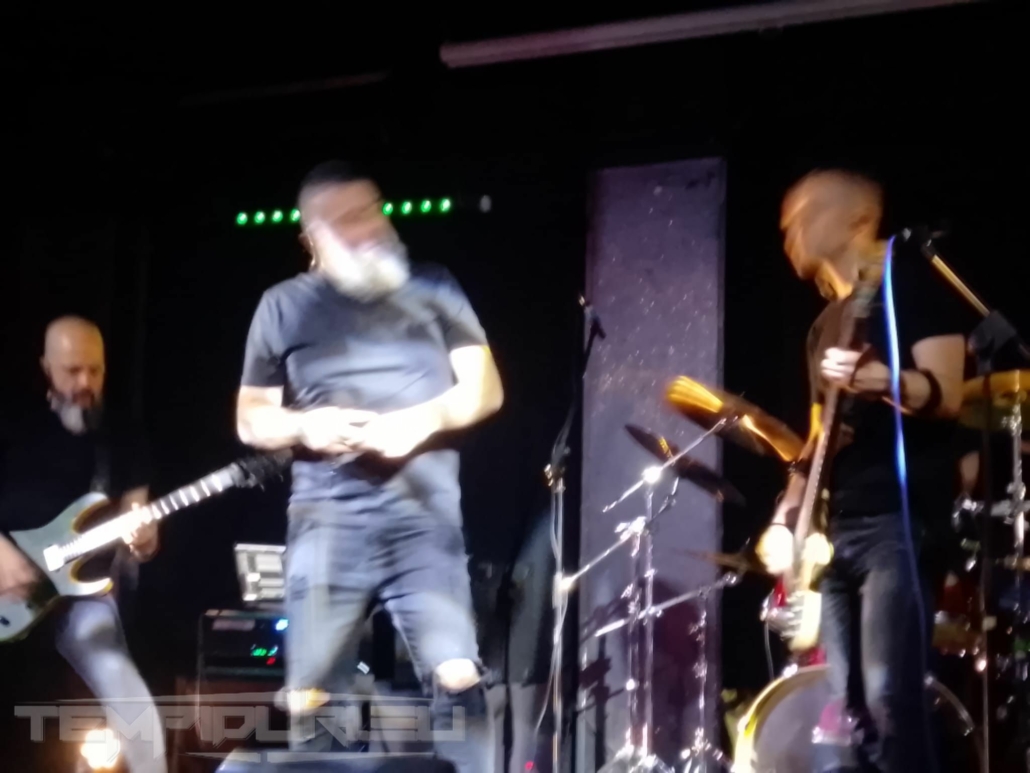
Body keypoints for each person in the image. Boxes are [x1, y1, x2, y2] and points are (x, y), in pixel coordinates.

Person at [236, 160, 504, 772]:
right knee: (311, 693)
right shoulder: (283, 306)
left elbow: (486, 388)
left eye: (372, 210)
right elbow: (251, 418)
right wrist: (307, 426)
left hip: (423, 516)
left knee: (457, 672)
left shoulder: (434, 285)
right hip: (327, 518)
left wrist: (422, 421)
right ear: (312, 237)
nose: (368, 227)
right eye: (347, 220)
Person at [755, 170, 969, 772]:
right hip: (837, 533)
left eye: (807, 214)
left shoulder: (912, 285)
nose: (791, 230)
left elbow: (948, 393)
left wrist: (883, 382)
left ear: (858, 218)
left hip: (896, 525)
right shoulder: (823, 325)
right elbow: (820, 438)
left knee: (889, 698)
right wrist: (788, 514)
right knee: (846, 715)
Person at [0, 316, 165, 773]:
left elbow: (137, 521)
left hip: (82, 594)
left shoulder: (123, 434)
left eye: (95, 370)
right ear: (46, 368)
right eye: (72, 371)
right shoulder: (12, 421)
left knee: (129, 695)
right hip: (5, 585)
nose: (85, 383)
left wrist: (144, 540)